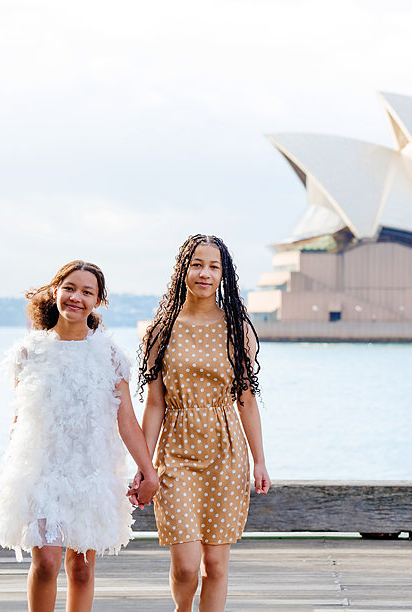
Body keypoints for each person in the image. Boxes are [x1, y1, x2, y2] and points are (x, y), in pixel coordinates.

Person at [0, 260, 159, 612]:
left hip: (90, 472)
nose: (76, 297)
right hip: (42, 471)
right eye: (70, 288)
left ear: (98, 302)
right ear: (56, 290)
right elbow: (20, 419)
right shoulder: (29, 352)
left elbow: (127, 422)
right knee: (45, 562)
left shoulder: (109, 355)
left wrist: (147, 470)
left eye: (87, 292)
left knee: (81, 569)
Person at [133, 234, 270, 612]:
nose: (204, 273)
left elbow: (246, 399)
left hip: (226, 451)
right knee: (187, 566)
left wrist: (259, 460)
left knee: (215, 564)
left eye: (214, 266)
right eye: (197, 264)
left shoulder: (236, 329)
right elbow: (155, 403)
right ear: (183, 270)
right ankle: (182, 609)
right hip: (176, 452)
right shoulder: (160, 330)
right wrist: (144, 467)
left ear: (223, 275)